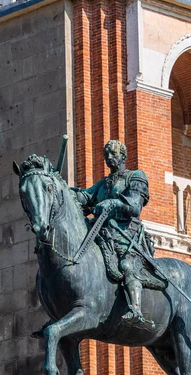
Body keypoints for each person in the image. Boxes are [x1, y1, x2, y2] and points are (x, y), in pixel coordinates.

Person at [71, 139, 166, 328]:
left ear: (123, 156)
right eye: (106, 155)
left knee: (126, 264)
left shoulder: (135, 177)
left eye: (113, 154)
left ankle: (136, 310)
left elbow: (135, 206)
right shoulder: (104, 183)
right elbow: (86, 197)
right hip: (102, 232)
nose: (109, 158)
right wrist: (68, 193)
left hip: (126, 233)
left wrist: (113, 203)